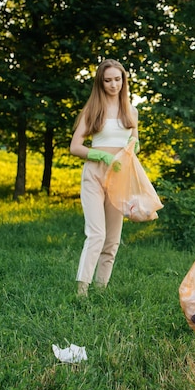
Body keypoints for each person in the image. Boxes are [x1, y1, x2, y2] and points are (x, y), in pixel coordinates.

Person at [69, 59, 139, 297]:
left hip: (118, 178)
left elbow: (134, 143)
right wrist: (100, 155)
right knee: (96, 233)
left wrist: (132, 147)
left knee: (112, 240)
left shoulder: (132, 111)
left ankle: (101, 289)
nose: (113, 84)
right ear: (101, 82)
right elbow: (75, 146)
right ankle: (82, 290)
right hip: (95, 175)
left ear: (124, 80)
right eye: (108, 80)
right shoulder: (93, 110)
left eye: (117, 79)